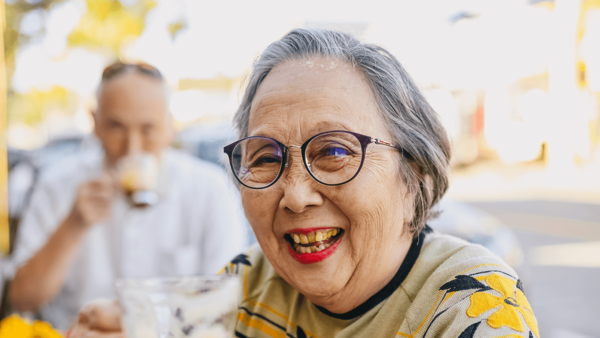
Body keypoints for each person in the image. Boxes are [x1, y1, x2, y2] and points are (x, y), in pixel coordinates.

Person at [70, 30, 539, 338]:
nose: (294, 196)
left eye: (334, 152)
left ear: (413, 175)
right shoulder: (250, 283)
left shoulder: (473, 306)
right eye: (266, 158)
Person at [8, 62, 247, 330]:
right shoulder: (58, 186)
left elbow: (228, 300)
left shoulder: (209, 190)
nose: (132, 148)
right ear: (95, 123)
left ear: (170, 127)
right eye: (116, 127)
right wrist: (74, 225)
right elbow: (22, 298)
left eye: (148, 130)